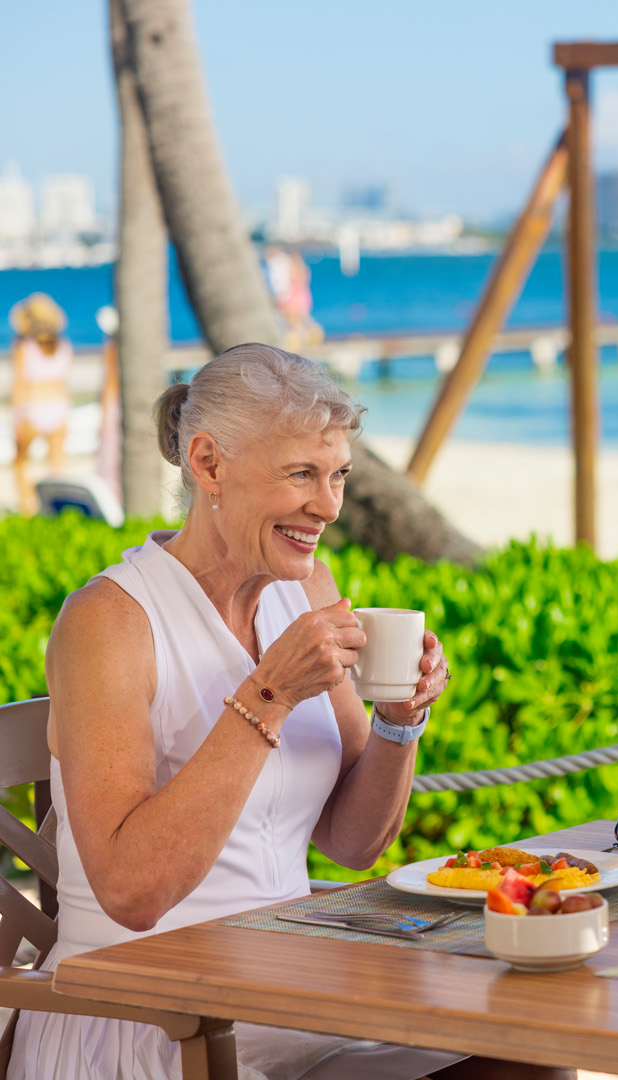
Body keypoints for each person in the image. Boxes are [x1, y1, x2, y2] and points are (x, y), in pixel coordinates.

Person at [9, 344, 571, 1080]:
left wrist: (401, 723)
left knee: (530, 1054)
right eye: (300, 474)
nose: (329, 506)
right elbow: (130, 893)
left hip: (285, 992)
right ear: (207, 464)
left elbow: (354, 842)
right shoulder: (107, 621)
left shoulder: (299, 590)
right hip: (146, 1018)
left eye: (337, 475)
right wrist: (266, 696)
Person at [8, 293, 74, 516]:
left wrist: (16, 417)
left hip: (33, 409)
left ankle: (28, 508)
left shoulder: (24, 347)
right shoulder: (64, 346)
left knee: (21, 463)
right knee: (56, 466)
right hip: (59, 407)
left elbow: (20, 385)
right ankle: (57, 509)